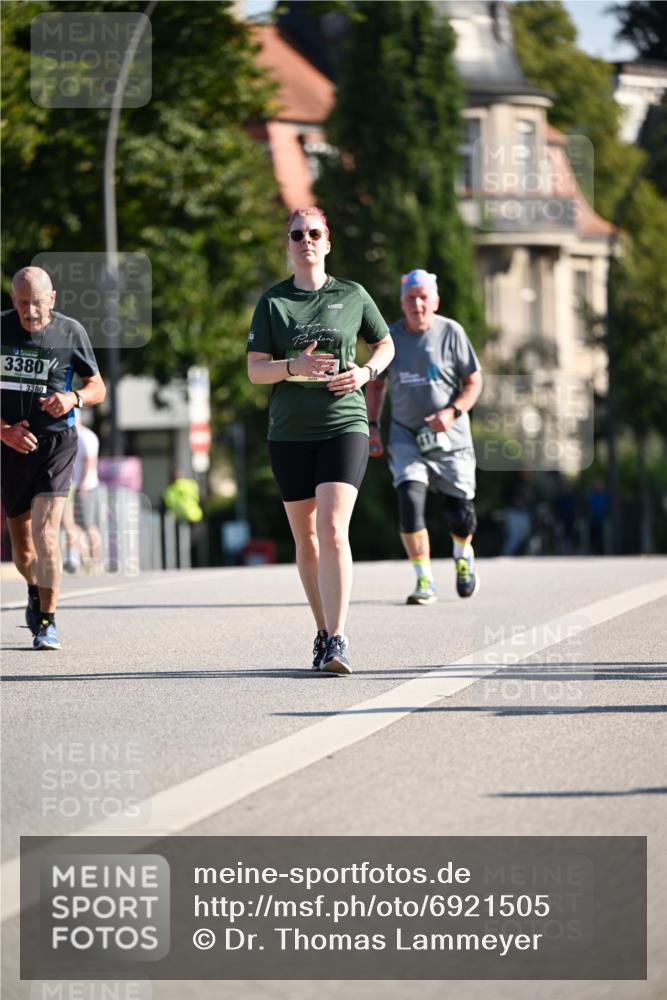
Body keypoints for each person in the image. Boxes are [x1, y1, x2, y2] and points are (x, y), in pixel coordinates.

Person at [247, 207, 394, 674]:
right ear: (288, 246)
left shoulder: (352, 294)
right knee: (305, 538)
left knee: (332, 528)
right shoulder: (273, 303)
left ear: (327, 243)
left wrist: (366, 372)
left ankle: (338, 638)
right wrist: (294, 367)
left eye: (314, 233)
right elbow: (255, 370)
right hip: (289, 433)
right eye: (297, 234)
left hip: (343, 423)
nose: (306, 240)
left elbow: (385, 344)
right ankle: (322, 630)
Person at [1, 266, 106, 649]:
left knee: (47, 533)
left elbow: (98, 387)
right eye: (23, 303)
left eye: (39, 303)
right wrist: (4, 432)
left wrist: (73, 397)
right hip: (10, 447)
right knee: (23, 551)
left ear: (53, 299)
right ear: (13, 301)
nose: (31, 311)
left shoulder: (69, 331)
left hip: (56, 444)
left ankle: (48, 621)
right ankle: (34, 587)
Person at [366, 269, 482, 604]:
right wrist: (372, 427)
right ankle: (424, 580)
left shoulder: (451, 332)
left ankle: (463, 556)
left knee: (459, 513)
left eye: (423, 297)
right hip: (406, 436)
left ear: (435, 300)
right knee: (409, 500)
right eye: (410, 298)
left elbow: (474, 382)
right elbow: (375, 384)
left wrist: (452, 412)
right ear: (401, 302)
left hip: (451, 437)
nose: (417, 304)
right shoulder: (389, 337)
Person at [62, 409, 103, 574]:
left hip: (86, 486)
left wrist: (84, 484)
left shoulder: (86, 437)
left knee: (88, 524)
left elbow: (90, 462)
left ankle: (96, 560)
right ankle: (84, 559)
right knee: (74, 524)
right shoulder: (74, 436)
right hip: (74, 486)